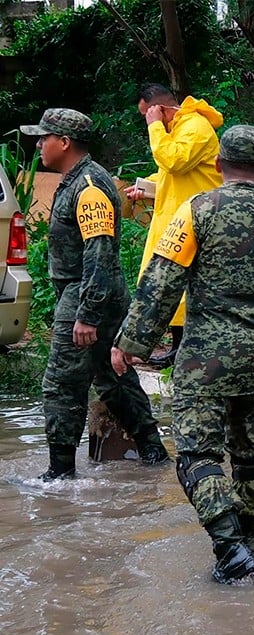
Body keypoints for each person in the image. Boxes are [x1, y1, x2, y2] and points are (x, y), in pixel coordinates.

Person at [111, 125, 254, 584]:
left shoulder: (196, 210)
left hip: (203, 360)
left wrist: (129, 344)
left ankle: (231, 551)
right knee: (250, 458)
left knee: (196, 455)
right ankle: (245, 537)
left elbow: (162, 283)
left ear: (220, 165)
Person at [18, 108, 170, 481]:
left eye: (44, 137)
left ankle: (59, 474)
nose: (39, 144)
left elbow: (99, 252)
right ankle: (154, 454)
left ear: (65, 142)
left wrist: (86, 313)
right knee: (113, 376)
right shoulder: (79, 180)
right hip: (94, 291)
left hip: (87, 292)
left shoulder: (88, 187)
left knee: (62, 382)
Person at [123, 83, 224, 368]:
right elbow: (170, 173)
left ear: (161, 109)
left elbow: (174, 160)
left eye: (149, 114)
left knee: (185, 287)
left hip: (196, 221)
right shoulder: (180, 128)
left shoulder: (196, 126)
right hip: (176, 219)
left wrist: (154, 127)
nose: (148, 121)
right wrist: (147, 187)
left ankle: (183, 349)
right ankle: (177, 347)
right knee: (171, 287)